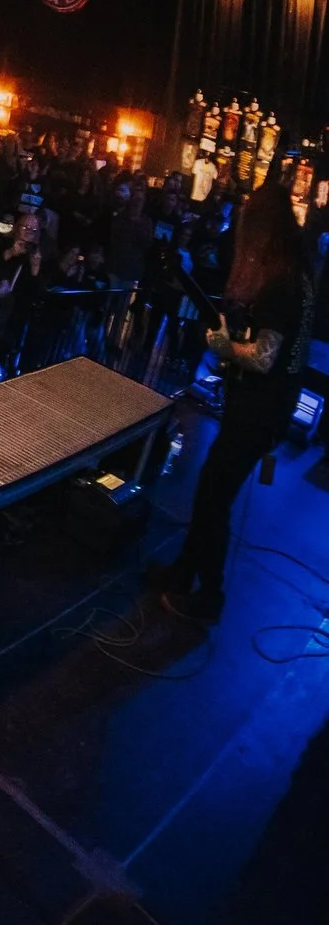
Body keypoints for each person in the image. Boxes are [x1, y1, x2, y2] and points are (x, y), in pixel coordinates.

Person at [154, 190, 313, 622]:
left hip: (259, 410)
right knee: (211, 490)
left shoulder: (279, 285)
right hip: (270, 407)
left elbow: (264, 358)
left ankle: (210, 596)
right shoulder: (297, 275)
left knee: (213, 497)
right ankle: (181, 575)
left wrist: (226, 348)